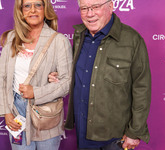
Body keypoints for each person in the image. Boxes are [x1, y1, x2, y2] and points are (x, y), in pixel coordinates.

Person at [48, 0, 151, 149]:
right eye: (84, 8)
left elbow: (142, 89)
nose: (90, 14)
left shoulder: (132, 40)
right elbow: (78, 72)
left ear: (111, 6)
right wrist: (59, 76)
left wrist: (135, 132)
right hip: (83, 131)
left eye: (96, 7)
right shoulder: (79, 35)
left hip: (115, 137)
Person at [0, 0, 72, 149]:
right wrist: (6, 112)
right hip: (16, 112)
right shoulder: (12, 38)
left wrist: (35, 92)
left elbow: (66, 82)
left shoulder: (59, 41)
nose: (33, 10)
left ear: (45, 9)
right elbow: (2, 78)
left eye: (38, 5)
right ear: (21, 11)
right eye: (27, 6)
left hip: (46, 113)